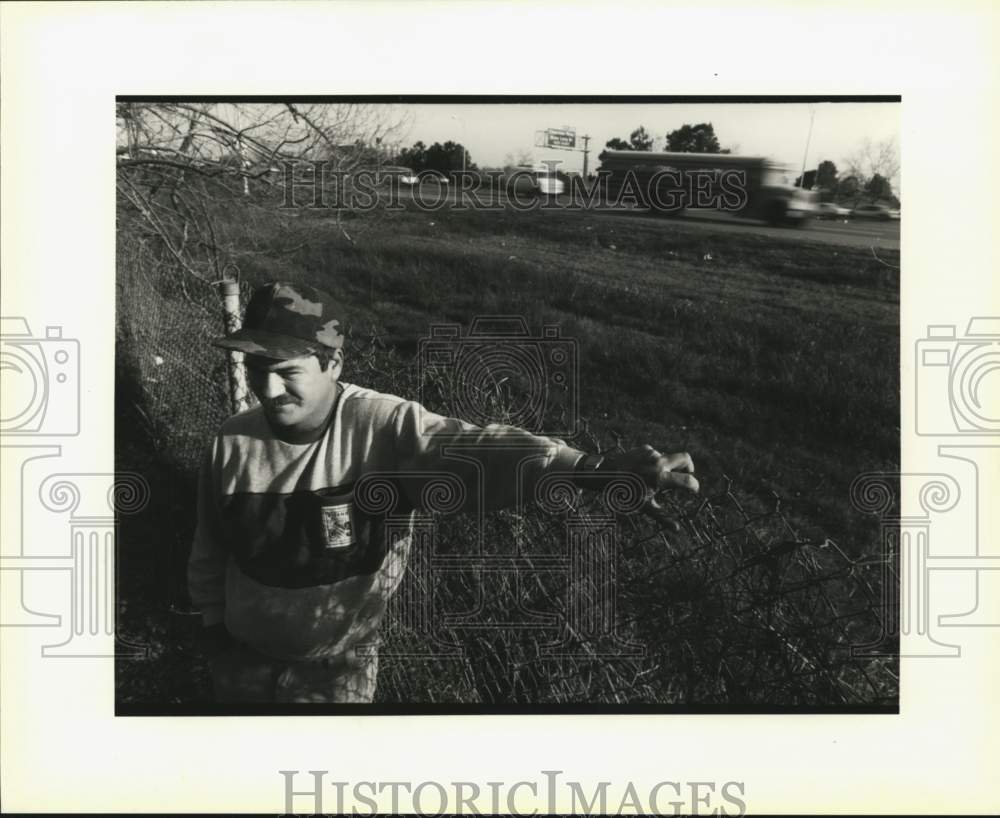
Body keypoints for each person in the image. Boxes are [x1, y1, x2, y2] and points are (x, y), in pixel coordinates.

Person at [188, 281, 699, 703]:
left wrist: (591, 470)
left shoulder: (381, 428)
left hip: (335, 676)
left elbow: (477, 450)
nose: (268, 390)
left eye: (286, 373)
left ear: (334, 363)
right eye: (257, 372)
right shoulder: (231, 440)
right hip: (241, 666)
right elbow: (211, 548)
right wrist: (212, 626)